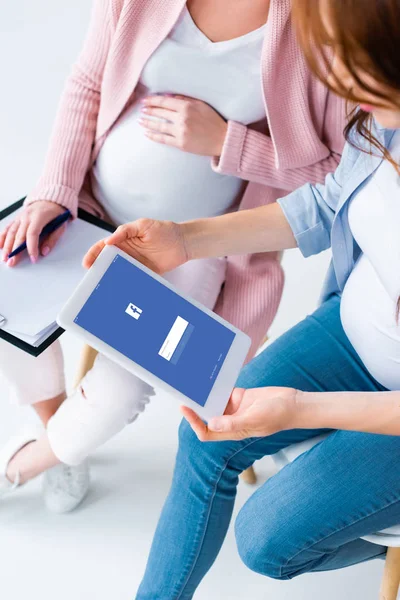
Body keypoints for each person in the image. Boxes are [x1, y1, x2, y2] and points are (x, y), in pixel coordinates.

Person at [82, 0, 400, 594]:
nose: (337, 85)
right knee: (204, 431)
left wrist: (303, 411)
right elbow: (325, 201)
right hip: (352, 334)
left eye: (353, 65)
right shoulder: (381, 119)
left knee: (268, 544)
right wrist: (184, 240)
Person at [0, 0, 345, 512]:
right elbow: (88, 83)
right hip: (93, 208)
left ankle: (25, 464)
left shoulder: (320, 22)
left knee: (122, 386)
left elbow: (335, 177)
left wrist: (227, 142)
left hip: (196, 249)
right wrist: (53, 192)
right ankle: (58, 428)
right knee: (9, 285)